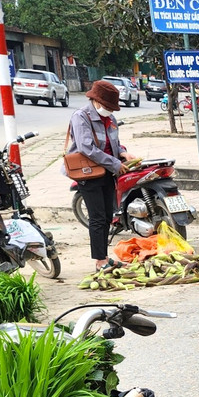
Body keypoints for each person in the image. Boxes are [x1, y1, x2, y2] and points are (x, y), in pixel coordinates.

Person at [68, 80, 129, 271]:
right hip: (88, 173)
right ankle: (99, 261)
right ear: (95, 101)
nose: (109, 110)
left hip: (107, 172)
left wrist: (123, 153)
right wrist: (115, 163)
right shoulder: (81, 117)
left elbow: (114, 143)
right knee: (97, 217)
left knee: (108, 216)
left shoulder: (111, 119)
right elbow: (87, 148)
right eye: (106, 106)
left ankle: (105, 257)